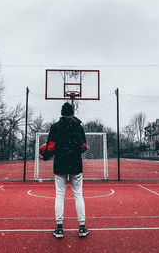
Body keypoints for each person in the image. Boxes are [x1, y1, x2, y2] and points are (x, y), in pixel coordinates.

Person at [42, 102, 89, 238]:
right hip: (75, 164)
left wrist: (45, 156)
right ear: (72, 112)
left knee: (60, 196)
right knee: (78, 195)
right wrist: (74, 149)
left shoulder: (55, 127)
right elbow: (84, 147)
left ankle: (59, 228)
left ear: (61, 113)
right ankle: (81, 227)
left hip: (60, 164)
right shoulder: (78, 127)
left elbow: (50, 147)